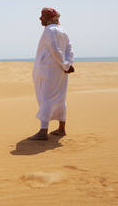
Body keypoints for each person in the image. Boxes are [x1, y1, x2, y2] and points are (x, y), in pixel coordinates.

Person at [29, 7, 74, 140]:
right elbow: (69, 48)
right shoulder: (63, 30)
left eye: (42, 16)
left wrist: (65, 64)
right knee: (60, 97)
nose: (40, 18)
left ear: (48, 18)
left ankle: (43, 131)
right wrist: (68, 64)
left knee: (45, 98)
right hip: (61, 69)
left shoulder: (49, 30)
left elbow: (54, 49)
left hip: (48, 70)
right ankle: (61, 129)